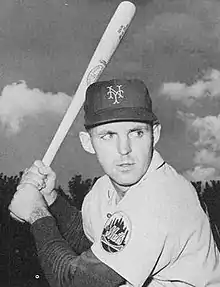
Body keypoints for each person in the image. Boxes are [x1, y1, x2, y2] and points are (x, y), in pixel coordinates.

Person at [9, 78, 220, 287]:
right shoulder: (103, 189)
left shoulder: (160, 198)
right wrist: (51, 201)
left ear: (154, 134)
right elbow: (94, 247)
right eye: (108, 135)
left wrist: (37, 214)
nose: (124, 149)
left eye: (136, 133)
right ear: (87, 142)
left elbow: (77, 283)